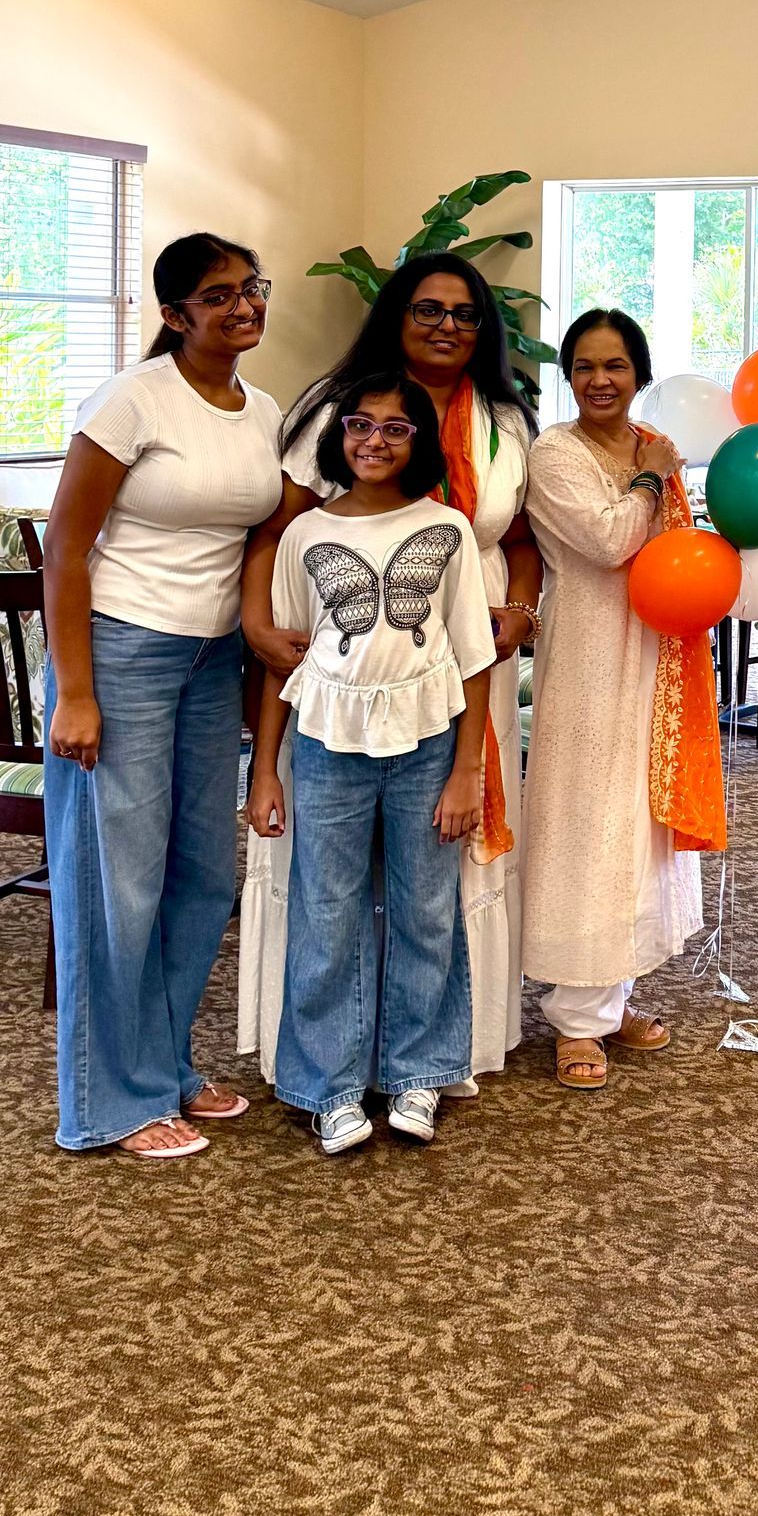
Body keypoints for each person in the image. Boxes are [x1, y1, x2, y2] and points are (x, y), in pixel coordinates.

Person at [238, 252, 539, 1088]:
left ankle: (439, 1056)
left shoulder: (505, 418)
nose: (448, 326)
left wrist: (521, 609)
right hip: (339, 668)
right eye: (427, 309)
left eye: (466, 313)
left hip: (463, 665)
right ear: (396, 316)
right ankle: (330, 1066)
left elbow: (520, 538)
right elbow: (279, 532)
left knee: (435, 879)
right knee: (331, 888)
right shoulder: (336, 408)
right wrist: (258, 626)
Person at [40, 234, 287, 1160]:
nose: (243, 306)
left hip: (212, 662)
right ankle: (108, 1103)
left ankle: (166, 1065)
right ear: (176, 314)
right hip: (122, 654)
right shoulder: (132, 400)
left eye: (251, 288)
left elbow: (263, 538)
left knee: (201, 877)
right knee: (118, 884)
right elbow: (66, 549)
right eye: (218, 295)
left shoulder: (263, 410)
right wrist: (75, 692)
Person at [245, 376, 493, 1155]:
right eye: (360, 424)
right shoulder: (305, 535)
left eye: (395, 428)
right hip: (327, 745)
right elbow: (283, 659)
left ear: (419, 441)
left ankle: (419, 1071)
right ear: (339, 435)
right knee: (327, 914)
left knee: (426, 909)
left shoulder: (445, 530)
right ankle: (330, 1085)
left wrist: (467, 772)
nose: (374, 441)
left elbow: (475, 658)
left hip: (427, 744)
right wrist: (264, 769)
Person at [519, 309, 714, 1089]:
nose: (600, 380)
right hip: (591, 659)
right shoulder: (554, 452)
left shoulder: (648, 444)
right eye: (586, 366)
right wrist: (652, 477)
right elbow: (606, 542)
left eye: (616, 366)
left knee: (637, 824)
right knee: (587, 825)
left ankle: (614, 994)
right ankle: (575, 1016)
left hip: (655, 653)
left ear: (639, 373)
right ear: (569, 375)